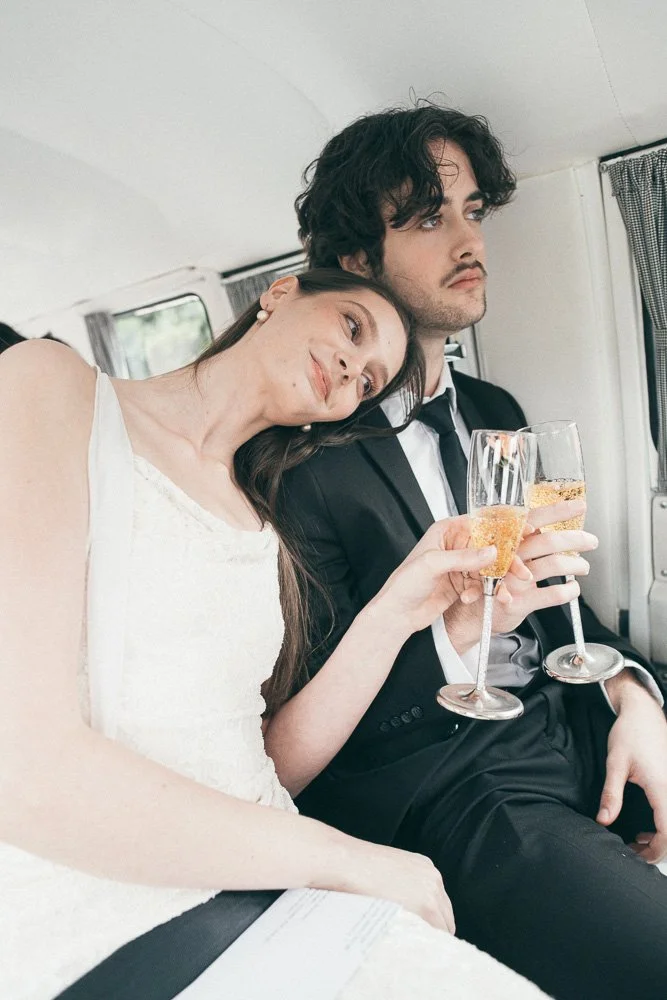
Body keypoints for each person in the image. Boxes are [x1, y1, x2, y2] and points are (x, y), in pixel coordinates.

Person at [0, 268, 548, 1000]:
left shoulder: (264, 519)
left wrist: (398, 610)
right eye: (352, 327)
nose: (355, 369)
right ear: (280, 293)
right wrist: (348, 858)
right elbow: (25, 774)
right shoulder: (55, 385)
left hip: (271, 885)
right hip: (112, 902)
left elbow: (256, 769)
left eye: (369, 381)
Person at [279, 105, 667, 1000]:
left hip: (574, 722)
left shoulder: (495, 407)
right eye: (425, 217)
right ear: (357, 260)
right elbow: (319, 717)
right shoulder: (302, 463)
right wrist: (454, 639)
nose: (467, 239)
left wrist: (632, 695)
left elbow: (556, 601)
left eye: (470, 211)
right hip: (459, 784)